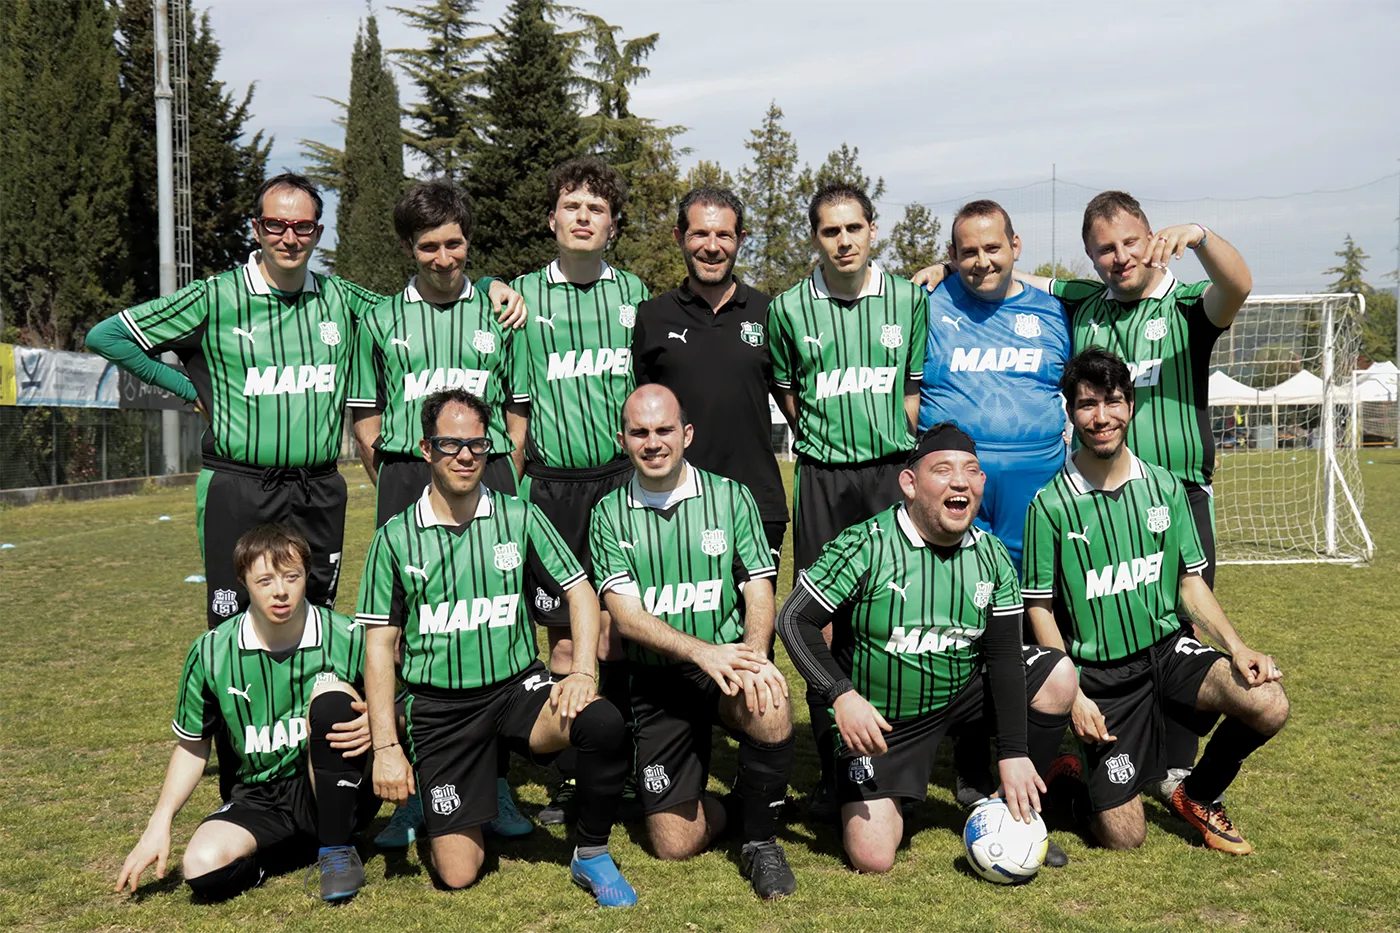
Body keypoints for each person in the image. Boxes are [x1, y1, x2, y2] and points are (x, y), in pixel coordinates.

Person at [916, 191, 1253, 798]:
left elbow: (1239, 286)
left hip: (1174, 493)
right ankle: (1093, 742)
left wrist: (1201, 235)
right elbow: (1015, 274)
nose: (1120, 257)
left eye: (1130, 242)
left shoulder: (1185, 306)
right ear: (1091, 258)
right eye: (1104, 249)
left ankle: (1174, 766)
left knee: (1177, 627)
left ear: (1151, 239)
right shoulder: (1082, 304)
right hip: (1091, 495)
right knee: (1095, 624)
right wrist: (953, 266)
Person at [84, 172, 528, 630]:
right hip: (239, 484)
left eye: (302, 227)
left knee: (318, 620)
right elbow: (107, 336)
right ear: (256, 229)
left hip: (318, 488)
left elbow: (423, 300)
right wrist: (188, 389)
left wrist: (489, 285)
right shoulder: (214, 297)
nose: (289, 237)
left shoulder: (341, 298)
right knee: (233, 625)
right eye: (276, 225)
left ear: (317, 233)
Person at [357, 388, 636, 905]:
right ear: (426, 449)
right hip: (441, 711)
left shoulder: (519, 515)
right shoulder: (393, 538)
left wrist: (581, 672)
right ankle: (462, 788)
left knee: (601, 721)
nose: (465, 456)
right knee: (458, 873)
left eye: (477, 445)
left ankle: (591, 853)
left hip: (516, 691)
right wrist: (387, 748)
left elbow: (579, 590)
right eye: (450, 444)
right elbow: (378, 647)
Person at [776, 422, 1076, 873]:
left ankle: (1013, 814)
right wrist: (842, 695)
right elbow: (793, 619)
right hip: (885, 721)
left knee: (1059, 674)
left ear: (982, 483)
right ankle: (873, 787)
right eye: (943, 470)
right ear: (909, 483)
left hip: (962, 693)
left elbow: (1003, 658)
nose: (960, 482)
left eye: (971, 471)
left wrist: (1014, 752)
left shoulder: (992, 556)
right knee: (873, 856)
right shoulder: (866, 545)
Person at [1023, 349, 1289, 854]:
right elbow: (1039, 607)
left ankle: (1199, 794)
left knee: (1269, 702)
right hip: (1103, 677)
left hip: (1168, 652)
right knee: (1125, 837)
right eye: (1086, 405)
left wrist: (1237, 647)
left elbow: (1190, 582)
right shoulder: (1049, 505)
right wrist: (1074, 694)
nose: (1101, 417)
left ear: (1130, 405)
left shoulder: (1165, 486)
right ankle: (1072, 781)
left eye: (1112, 401)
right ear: (1070, 412)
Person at [347, 179, 531, 845]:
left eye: (454, 243)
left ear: (468, 241)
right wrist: (396, 473)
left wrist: (503, 465)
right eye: (429, 246)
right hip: (407, 472)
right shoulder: (379, 319)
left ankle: (497, 779)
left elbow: (518, 407)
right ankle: (417, 786)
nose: (444, 257)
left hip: (489, 471)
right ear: (409, 247)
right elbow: (365, 413)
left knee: (495, 619)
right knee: (406, 631)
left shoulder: (502, 312)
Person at [590, 385, 796, 899]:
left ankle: (761, 842)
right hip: (657, 681)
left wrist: (753, 657)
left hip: (726, 662)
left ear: (687, 434)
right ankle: (743, 803)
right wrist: (701, 652)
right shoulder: (608, 513)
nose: (652, 442)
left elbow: (759, 588)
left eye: (664, 430)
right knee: (673, 844)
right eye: (639, 432)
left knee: (770, 701)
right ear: (622, 439)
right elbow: (627, 618)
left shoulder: (731, 497)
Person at [768, 183, 927, 817]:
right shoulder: (788, 309)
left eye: (853, 228)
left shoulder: (909, 300)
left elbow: (911, 394)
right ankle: (836, 767)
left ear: (872, 230)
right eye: (830, 231)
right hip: (823, 479)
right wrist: (831, 439)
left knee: (894, 609)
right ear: (815, 236)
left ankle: (897, 748)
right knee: (822, 620)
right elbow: (789, 395)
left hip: (890, 474)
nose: (843, 241)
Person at [114, 524, 378, 903]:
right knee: (202, 868)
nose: (280, 591)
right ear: (243, 581)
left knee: (331, 698)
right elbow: (193, 746)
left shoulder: (348, 636)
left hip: (329, 785)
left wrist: (377, 721)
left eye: (292, 576)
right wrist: (160, 822)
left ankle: (337, 848)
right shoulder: (211, 653)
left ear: (307, 574)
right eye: (265, 580)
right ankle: (295, 852)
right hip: (258, 795)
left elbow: (405, 701)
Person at [507, 157, 650, 823]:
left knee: (619, 633)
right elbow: (514, 409)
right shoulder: (518, 298)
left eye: (597, 208)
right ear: (552, 219)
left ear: (612, 225)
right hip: (551, 490)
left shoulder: (635, 295)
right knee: (565, 642)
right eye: (572, 206)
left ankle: (625, 762)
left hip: (621, 486)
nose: (584, 217)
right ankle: (573, 771)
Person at [917, 200, 1072, 808]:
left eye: (992, 248)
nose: (981, 261)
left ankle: (1037, 746)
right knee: (963, 613)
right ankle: (971, 754)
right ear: (951, 256)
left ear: (1015, 246)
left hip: (1039, 495)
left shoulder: (1055, 310)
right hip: (958, 492)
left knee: (1037, 613)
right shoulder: (926, 305)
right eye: (967, 252)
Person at [632, 187, 788, 560]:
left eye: (724, 235)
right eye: (700, 234)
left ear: (741, 239)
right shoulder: (651, 317)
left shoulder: (771, 313)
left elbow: (797, 405)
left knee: (758, 601)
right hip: (671, 503)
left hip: (757, 505)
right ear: (679, 237)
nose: (712, 247)